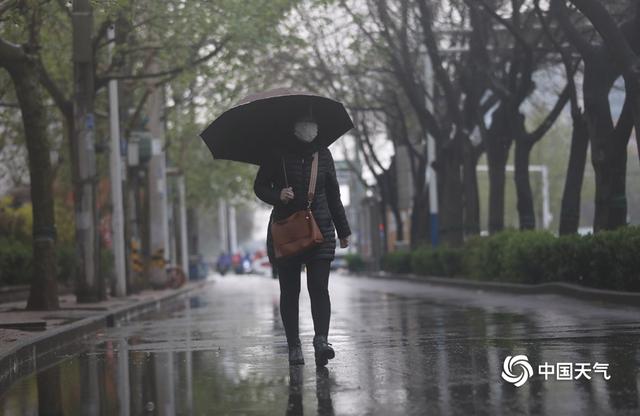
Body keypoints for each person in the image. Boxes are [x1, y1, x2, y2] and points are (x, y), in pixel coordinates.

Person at [253, 114, 351, 366]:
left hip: (321, 231)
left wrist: (343, 230)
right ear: (293, 126)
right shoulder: (277, 153)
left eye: (313, 122)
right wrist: (278, 195)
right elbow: (260, 186)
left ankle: (321, 341)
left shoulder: (324, 154)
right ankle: (294, 346)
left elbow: (333, 194)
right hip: (288, 231)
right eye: (304, 122)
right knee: (290, 291)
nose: (309, 126)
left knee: (319, 287)